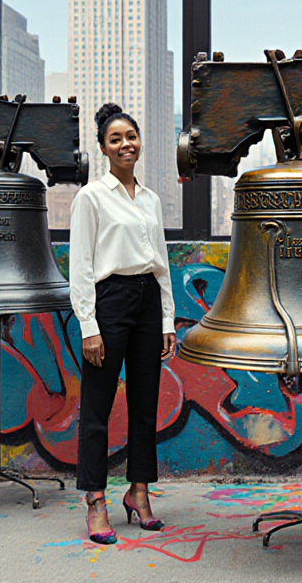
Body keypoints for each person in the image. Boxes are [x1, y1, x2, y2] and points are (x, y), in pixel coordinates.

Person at [69, 103, 177, 544]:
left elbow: (162, 265)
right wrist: (88, 326)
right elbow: (80, 265)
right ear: (102, 148)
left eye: (130, 136)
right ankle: (95, 500)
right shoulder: (90, 197)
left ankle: (139, 492)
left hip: (148, 300)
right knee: (97, 406)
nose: (125, 144)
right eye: (115, 139)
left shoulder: (150, 198)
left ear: (139, 142)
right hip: (109, 300)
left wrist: (168, 318)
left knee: (145, 405)